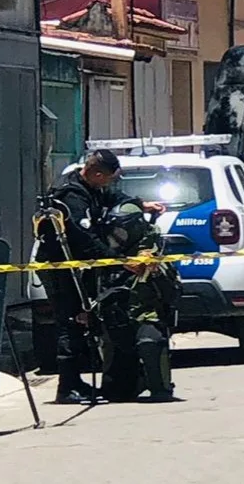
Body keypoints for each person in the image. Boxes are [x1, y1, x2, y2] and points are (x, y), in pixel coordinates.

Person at [34, 149, 162, 404]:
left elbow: (111, 196)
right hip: (60, 267)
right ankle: (66, 388)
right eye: (109, 178)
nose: (110, 184)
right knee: (70, 323)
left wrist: (139, 203)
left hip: (77, 267)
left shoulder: (90, 187)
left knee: (83, 322)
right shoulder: (72, 196)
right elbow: (84, 239)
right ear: (97, 173)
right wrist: (118, 262)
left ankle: (75, 382)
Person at [94, 201, 181, 403]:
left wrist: (155, 271)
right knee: (115, 394)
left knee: (149, 341)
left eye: (120, 231)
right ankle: (135, 380)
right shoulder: (107, 254)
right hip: (115, 319)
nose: (115, 237)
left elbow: (172, 294)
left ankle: (161, 387)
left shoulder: (154, 252)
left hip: (145, 315)